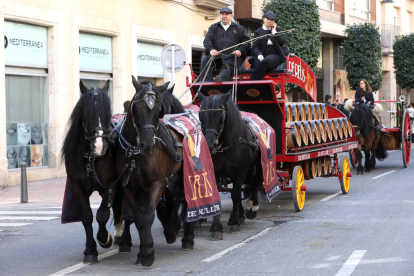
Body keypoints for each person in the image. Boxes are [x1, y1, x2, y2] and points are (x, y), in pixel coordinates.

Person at [200, 7, 250, 82]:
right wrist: (211, 49)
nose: (224, 16)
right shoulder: (213, 27)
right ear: (220, 15)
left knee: (227, 65)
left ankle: (221, 80)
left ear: (231, 16)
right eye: (222, 14)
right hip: (216, 58)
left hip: (232, 57)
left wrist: (240, 51)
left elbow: (246, 42)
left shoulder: (239, 28)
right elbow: (207, 41)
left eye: (227, 14)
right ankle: (207, 85)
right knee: (205, 61)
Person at [250, 11, 286, 81]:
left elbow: (282, 42)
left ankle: (251, 83)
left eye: (272, 20)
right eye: (268, 19)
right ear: (264, 19)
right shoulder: (258, 32)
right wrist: (259, 55)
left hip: (275, 55)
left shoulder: (277, 30)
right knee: (257, 64)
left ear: (274, 22)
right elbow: (256, 46)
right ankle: (259, 89)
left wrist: (274, 32)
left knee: (265, 61)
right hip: (261, 54)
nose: (269, 21)